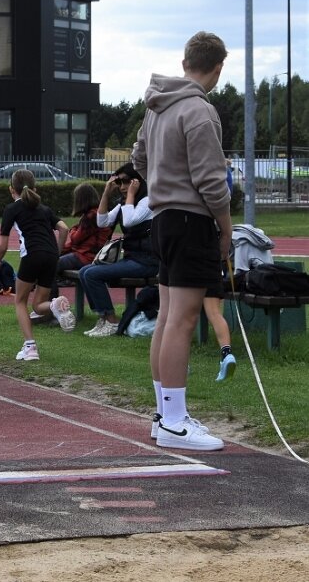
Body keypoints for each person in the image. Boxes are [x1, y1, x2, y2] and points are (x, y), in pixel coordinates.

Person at [132, 30, 232, 452]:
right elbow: (212, 180)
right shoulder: (198, 111)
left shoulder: (156, 107)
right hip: (190, 221)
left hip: (162, 220)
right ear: (217, 67)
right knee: (182, 320)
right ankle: (173, 421)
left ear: (186, 60)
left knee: (170, 314)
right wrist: (226, 228)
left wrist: (161, 177)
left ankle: (165, 414)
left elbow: (138, 158)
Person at [0, 169, 70, 361]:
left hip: (32, 255)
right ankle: (54, 304)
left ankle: (30, 347)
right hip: (51, 256)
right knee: (38, 304)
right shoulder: (44, 209)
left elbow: (2, 245)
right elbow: (64, 228)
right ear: (34, 188)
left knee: (20, 301)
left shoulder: (11, 209)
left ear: (12, 190)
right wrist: (57, 253)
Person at [78, 163, 159, 337]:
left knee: (92, 274)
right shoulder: (126, 202)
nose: (122, 187)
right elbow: (102, 222)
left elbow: (129, 221)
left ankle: (112, 321)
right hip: (133, 259)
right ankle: (104, 317)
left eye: (126, 182)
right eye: (119, 183)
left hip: (148, 261)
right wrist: (106, 193)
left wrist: (130, 195)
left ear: (137, 182)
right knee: (85, 271)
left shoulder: (148, 201)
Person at [51, 182, 112, 296]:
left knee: (52, 265)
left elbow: (76, 238)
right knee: (53, 258)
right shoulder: (96, 213)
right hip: (88, 255)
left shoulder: (90, 216)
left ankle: (51, 299)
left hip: (87, 257)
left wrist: (72, 229)